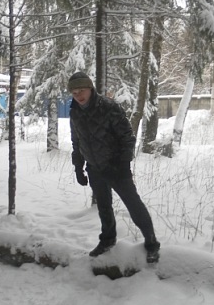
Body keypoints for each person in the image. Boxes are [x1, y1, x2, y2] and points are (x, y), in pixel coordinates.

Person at [67, 70, 160, 263]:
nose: (78, 96)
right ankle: (107, 240)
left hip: (116, 167)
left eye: (81, 90)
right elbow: (77, 142)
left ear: (90, 88)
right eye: (74, 93)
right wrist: (78, 167)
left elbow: (127, 138)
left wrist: (122, 164)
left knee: (133, 205)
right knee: (103, 207)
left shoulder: (109, 107)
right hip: (94, 168)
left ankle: (151, 243)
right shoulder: (74, 112)